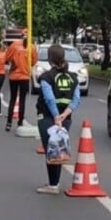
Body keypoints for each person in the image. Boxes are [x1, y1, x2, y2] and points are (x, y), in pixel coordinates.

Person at [35, 44, 82, 194]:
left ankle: (53, 185)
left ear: (50, 59)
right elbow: (76, 99)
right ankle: (54, 183)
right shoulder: (73, 77)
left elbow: (49, 99)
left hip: (48, 118)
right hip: (66, 118)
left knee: (51, 151)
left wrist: (56, 117)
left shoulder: (46, 77)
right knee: (59, 150)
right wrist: (65, 114)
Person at [5, 34, 37, 131]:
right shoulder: (32, 47)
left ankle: (9, 123)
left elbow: (7, 58)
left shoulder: (14, 45)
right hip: (24, 76)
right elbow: (34, 61)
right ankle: (20, 122)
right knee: (22, 100)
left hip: (14, 76)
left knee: (13, 99)